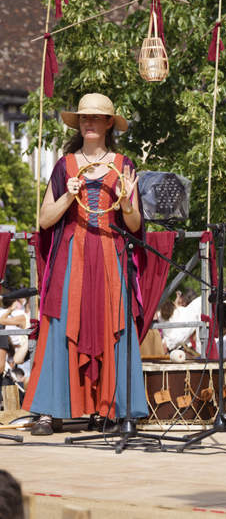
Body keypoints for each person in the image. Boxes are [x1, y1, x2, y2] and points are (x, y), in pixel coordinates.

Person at [22, 93, 147, 435]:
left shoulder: (124, 165)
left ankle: (115, 410)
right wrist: (67, 193)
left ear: (109, 124)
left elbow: (134, 225)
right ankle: (50, 411)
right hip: (72, 255)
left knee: (113, 326)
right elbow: (45, 220)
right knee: (61, 326)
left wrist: (125, 203)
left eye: (96, 118)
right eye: (84, 118)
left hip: (110, 255)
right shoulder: (64, 165)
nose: (89, 123)